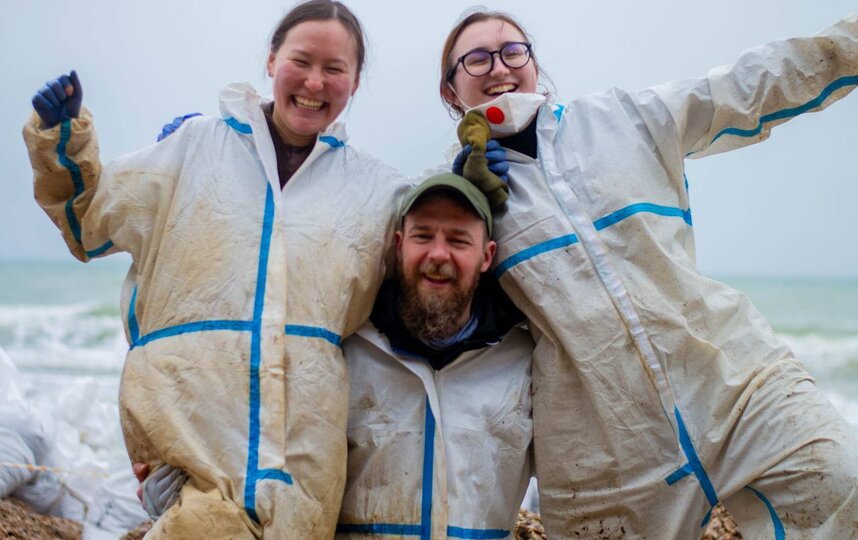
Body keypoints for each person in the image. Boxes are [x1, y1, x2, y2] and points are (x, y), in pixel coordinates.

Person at [439, 8, 858, 539]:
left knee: (840, 483)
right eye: (476, 59)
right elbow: (440, 319)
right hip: (604, 448)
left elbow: (748, 85)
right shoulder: (454, 199)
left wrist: (848, 45)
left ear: (534, 64)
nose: (499, 67)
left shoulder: (624, 119)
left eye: (512, 51)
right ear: (451, 90)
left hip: (734, 386)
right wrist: (462, 215)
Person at [22, 2, 413, 538]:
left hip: (304, 466)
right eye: (301, 61)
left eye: (334, 68)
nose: (314, 82)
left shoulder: (377, 193)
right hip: (189, 443)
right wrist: (62, 137)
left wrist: (477, 196)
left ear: (356, 81)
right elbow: (89, 219)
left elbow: (430, 284)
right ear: (271, 60)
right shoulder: (193, 150)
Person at [137, 174, 535, 538]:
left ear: (487, 255)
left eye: (459, 240)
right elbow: (250, 434)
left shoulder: (522, 359)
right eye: (423, 236)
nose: (438, 254)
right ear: (398, 245)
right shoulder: (342, 349)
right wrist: (172, 479)